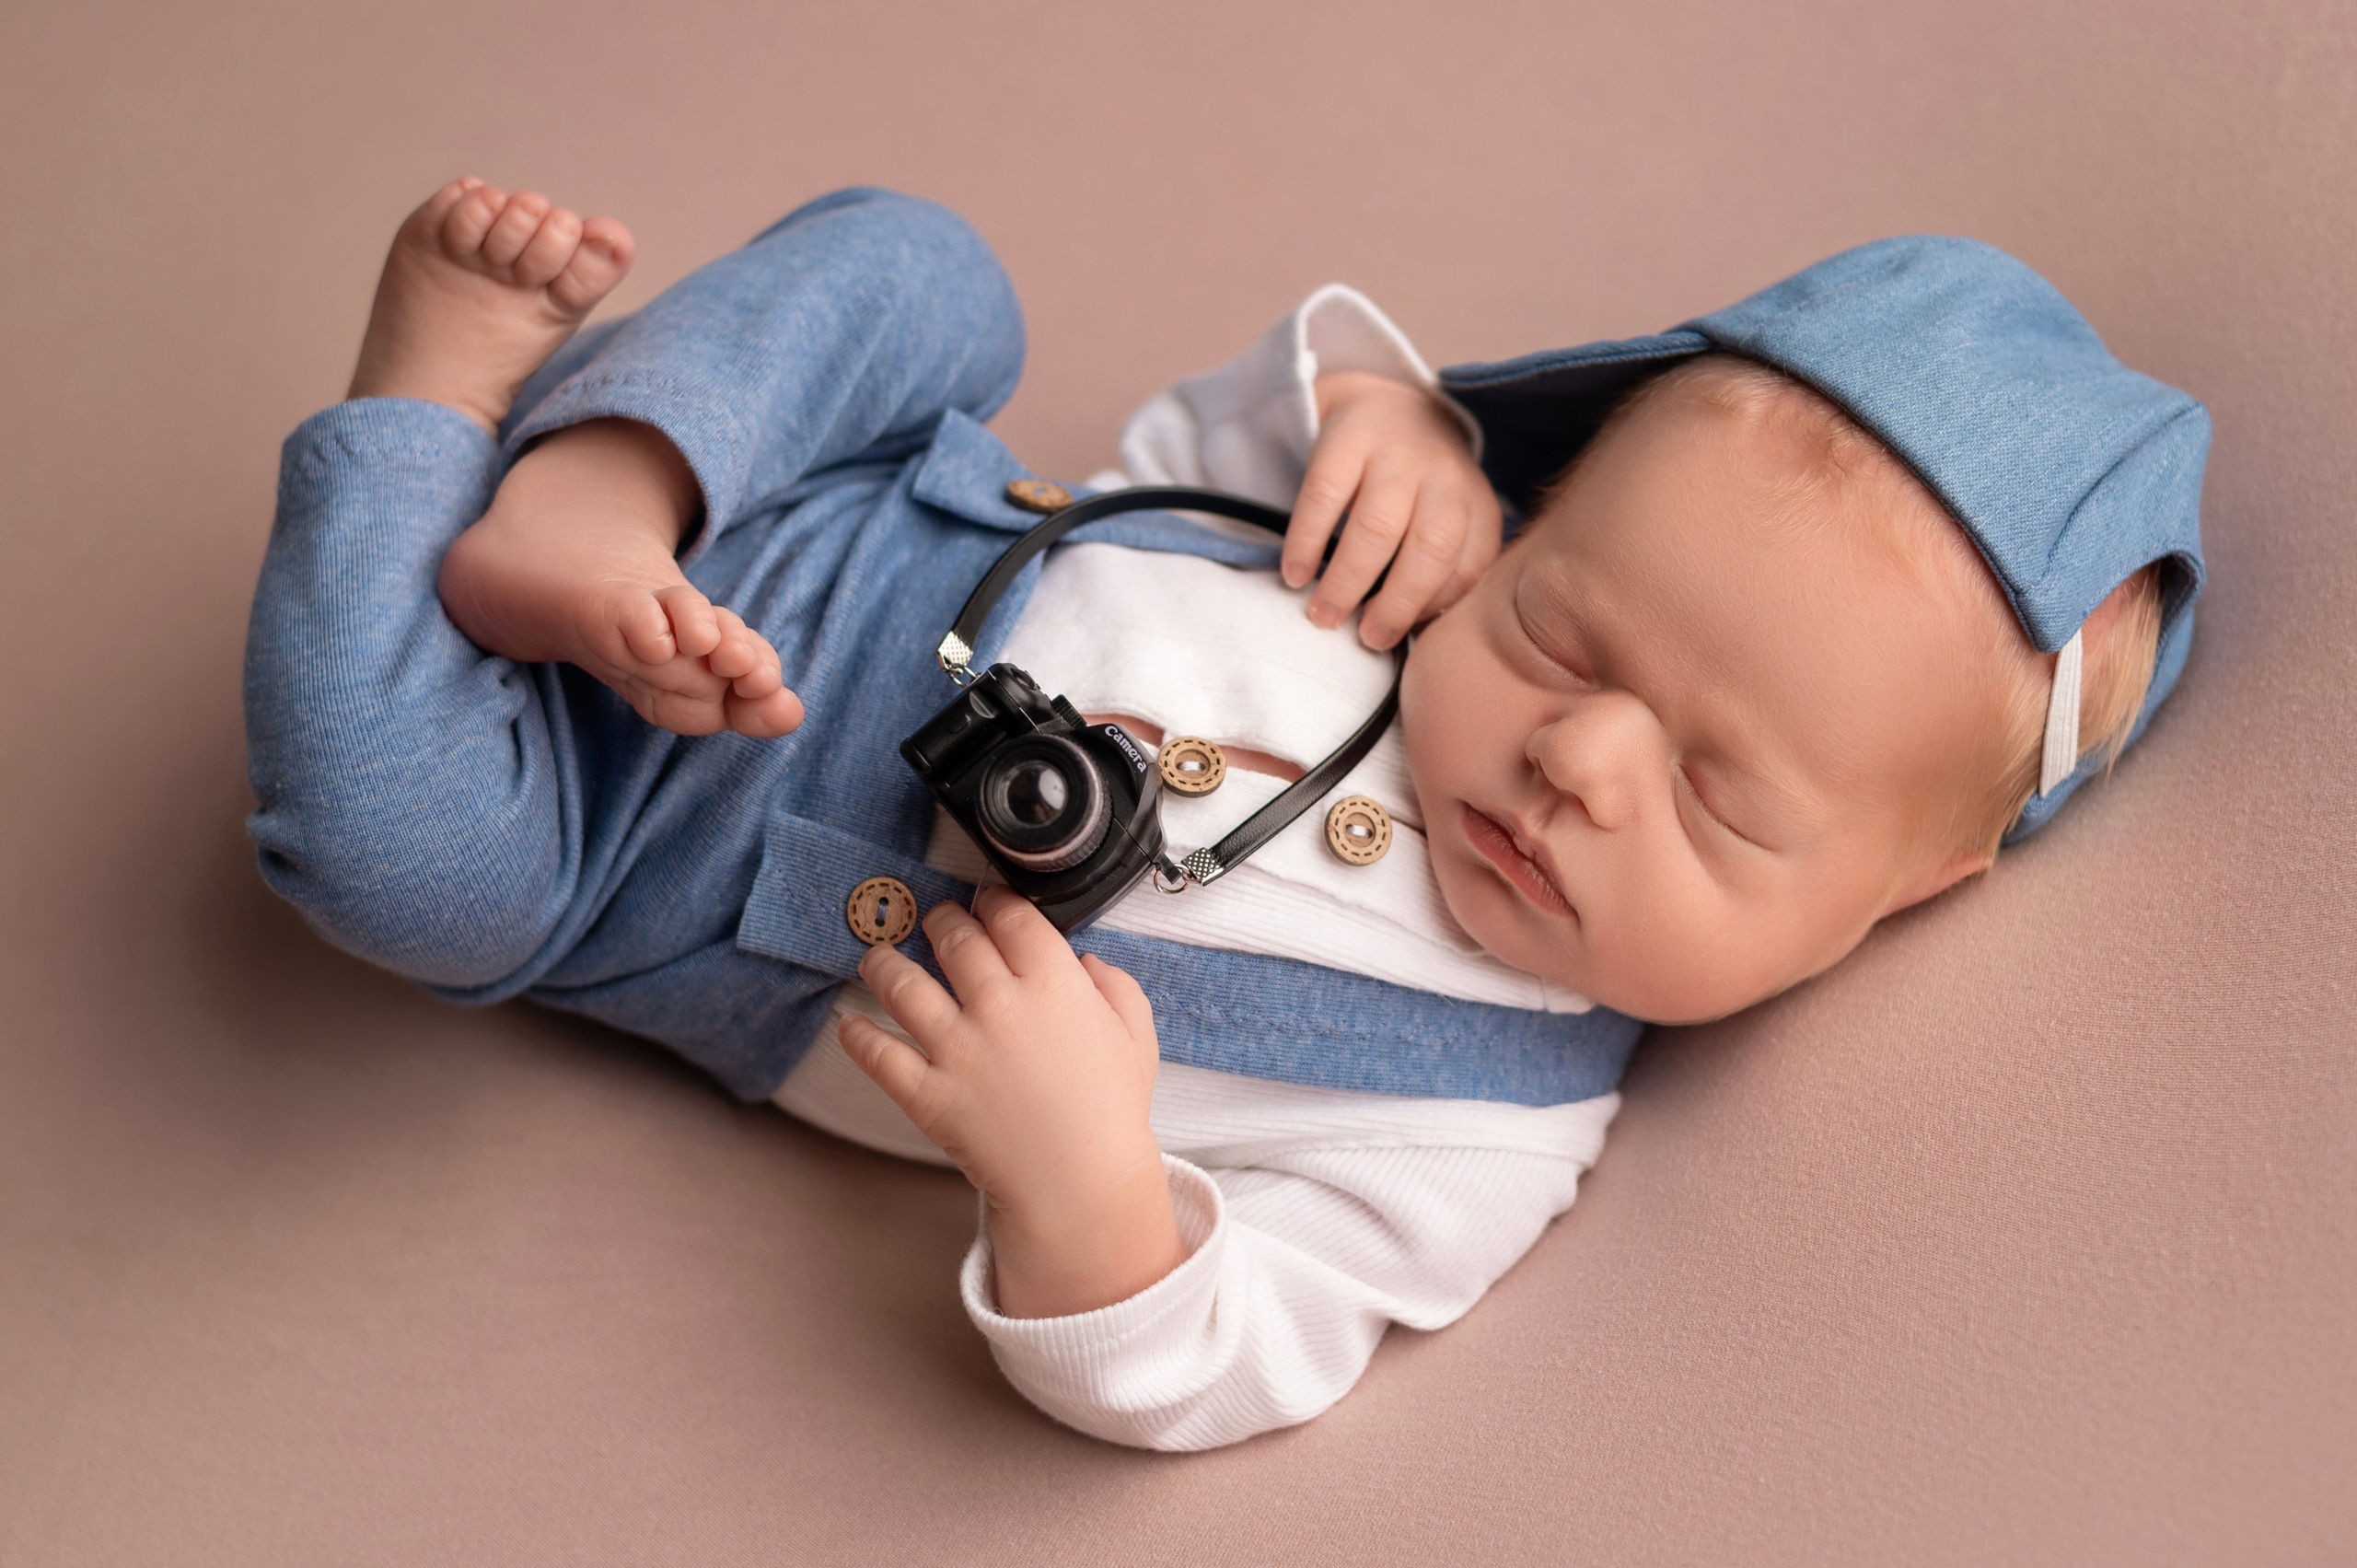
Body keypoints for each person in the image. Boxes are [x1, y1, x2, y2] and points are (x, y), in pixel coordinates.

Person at [245, 180, 2207, 1449]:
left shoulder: (1481, 1125)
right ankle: (608, 478)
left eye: (1713, 795)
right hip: (824, 490)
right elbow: (1184, 448)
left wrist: (1085, 1192)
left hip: (623, 864)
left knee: (398, 868)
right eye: (1559, 628)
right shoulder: (1410, 564)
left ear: (1911, 888)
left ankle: (425, 415)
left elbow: (1228, 1354)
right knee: (929, 269)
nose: (1579, 762)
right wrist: (1380, 418)